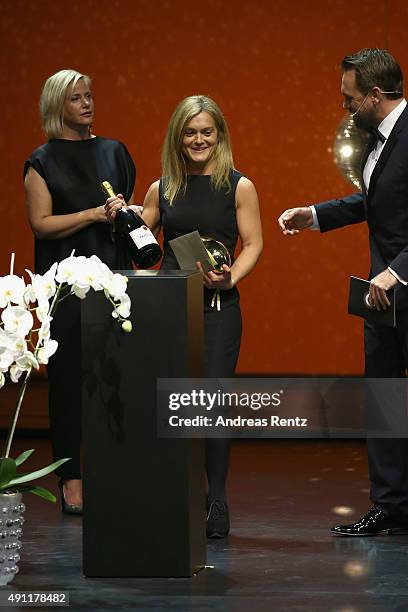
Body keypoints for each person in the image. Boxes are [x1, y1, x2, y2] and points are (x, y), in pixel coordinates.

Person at [106, 95, 263, 537]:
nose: (198, 140)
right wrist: (125, 219)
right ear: (178, 136)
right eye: (190, 132)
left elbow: (253, 245)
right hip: (168, 310)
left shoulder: (239, 186)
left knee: (210, 408)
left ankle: (217, 499)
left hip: (217, 311)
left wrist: (231, 279)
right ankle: (181, 495)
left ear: (220, 136)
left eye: (206, 132)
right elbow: (142, 245)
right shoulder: (163, 188)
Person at [278, 48, 408, 536]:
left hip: (396, 283)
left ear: (375, 94)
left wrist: (398, 271)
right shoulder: (376, 138)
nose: (345, 107)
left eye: (349, 98)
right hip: (382, 297)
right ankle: (391, 506)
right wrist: (314, 215)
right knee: (385, 400)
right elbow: (375, 202)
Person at [24, 69, 136, 514]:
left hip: (115, 278)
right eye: (76, 98)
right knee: (69, 384)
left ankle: (115, 471)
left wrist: (121, 212)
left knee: (117, 375)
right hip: (66, 286)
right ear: (58, 107)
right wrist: (92, 214)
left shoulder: (115, 151)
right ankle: (71, 481)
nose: (87, 103)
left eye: (89, 95)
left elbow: (128, 212)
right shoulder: (42, 160)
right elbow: (41, 223)